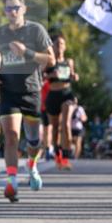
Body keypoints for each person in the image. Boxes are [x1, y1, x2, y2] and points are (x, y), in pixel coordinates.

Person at [0, 0, 54, 202]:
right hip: (8, 91)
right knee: (11, 137)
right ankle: (12, 180)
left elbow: (50, 60)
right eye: (9, 8)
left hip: (31, 91)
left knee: (34, 140)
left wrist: (27, 52)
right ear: (4, 11)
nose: (13, 12)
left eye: (16, 7)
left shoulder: (36, 30)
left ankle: (32, 164)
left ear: (24, 9)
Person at [44, 33, 79, 170]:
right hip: (53, 95)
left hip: (67, 94)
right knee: (55, 129)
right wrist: (50, 75)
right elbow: (41, 77)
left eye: (62, 44)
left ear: (65, 47)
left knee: (65, 123)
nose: (60, 46)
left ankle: (66, 156)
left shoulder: (69, 61)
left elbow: (73, 75)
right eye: (57, 44)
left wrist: (75, 76)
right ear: (52, 46)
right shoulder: (49, 62)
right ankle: (58, 156)